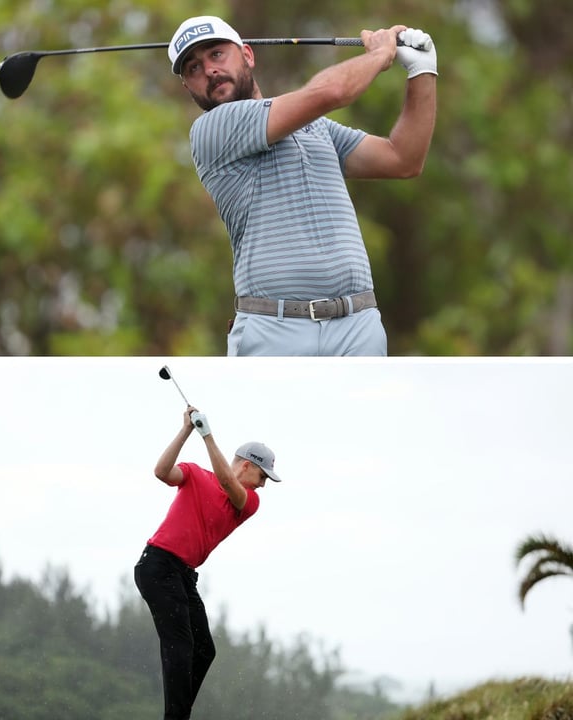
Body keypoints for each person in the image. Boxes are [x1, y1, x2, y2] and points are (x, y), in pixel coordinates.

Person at [168, 15, 437, 356]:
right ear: (187, 87)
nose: (208, 70)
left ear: (247, 55)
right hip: (274, 330)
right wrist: (379, 55)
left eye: (216, 54)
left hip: (357, 327)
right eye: (192, 68)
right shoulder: (212, 130)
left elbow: (403, 159)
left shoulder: (317, 129)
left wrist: (423, 71)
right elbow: (332, 92)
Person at [134, 406, 281, 720]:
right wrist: (187, 430)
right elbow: (161, 472)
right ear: (246, 465)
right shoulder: (195, 474)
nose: (264, 484)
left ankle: (179, 714)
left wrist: (207, 436)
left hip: (184, 576)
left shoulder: (249, 501)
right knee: (180, 643)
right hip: (157, 566)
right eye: (263, 475)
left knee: (203, 649)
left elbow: (229, 484)